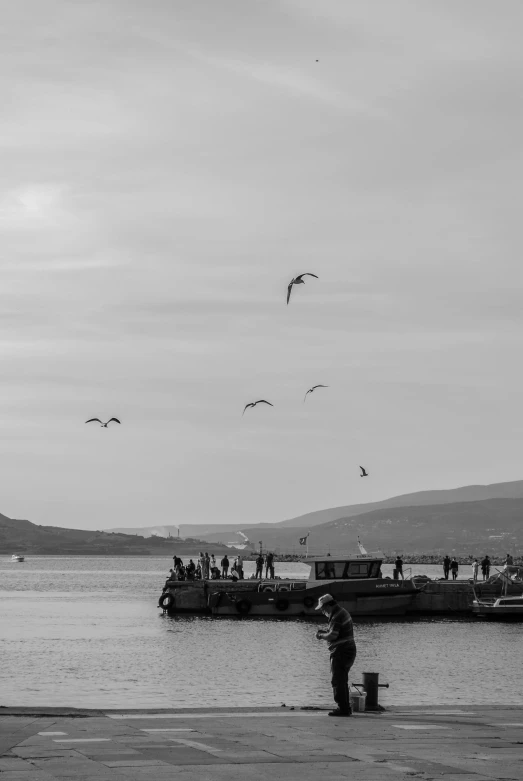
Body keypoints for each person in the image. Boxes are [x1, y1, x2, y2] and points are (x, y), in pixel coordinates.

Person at [315, 594, 356, 717]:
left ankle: (342, 709)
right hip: (348, 649)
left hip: (341, 651)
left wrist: (321, 636)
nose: (322, 611)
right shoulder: (341, 612)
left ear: (328, 605)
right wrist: (325, 632)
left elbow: (333, 635)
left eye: (323, 608)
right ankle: (345, 707)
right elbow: (335, 632)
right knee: (342, 679)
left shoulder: (337, 616)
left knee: (337, 679)